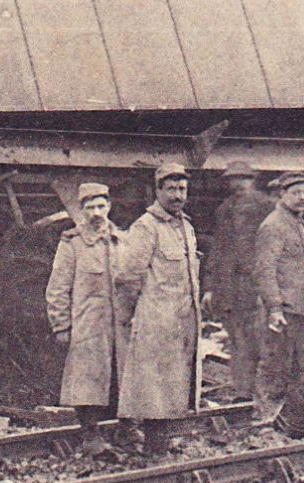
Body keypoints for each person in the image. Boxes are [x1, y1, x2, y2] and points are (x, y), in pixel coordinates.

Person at [114, 163, 202, 457]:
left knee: (174, 383)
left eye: (182, 189)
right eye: (172, 189)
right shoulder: (146, 227)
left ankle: (160, 442)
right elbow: (127, 276)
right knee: (153, 386)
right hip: (156, 319)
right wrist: (128, 317)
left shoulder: (186, 227)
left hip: (182, 320)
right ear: (158, 190)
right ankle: (154, 447)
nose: (178, 195)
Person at [45, 183, 124, 459]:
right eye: (90, 207)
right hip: (87, 325)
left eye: (101, 206)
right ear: (82, 210)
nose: (96, 213)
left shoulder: (122, 241)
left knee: (121, 377)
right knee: (87, 381)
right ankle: (91, 436)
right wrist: (61, 325)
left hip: (120, 327)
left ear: (109, 206)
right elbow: (57, 287)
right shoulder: (72, 244)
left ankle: (122, 433)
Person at [253, 172, 304, 437]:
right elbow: (264, 270)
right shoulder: (274, 225)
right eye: (296, 193)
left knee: (302, 364)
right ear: (282, 195)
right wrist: (274, 308)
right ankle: (264, 421)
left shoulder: (295, 223)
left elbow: (303, 271)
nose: (302, 198)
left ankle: (296, 414)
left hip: (297, 309)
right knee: (277, 365)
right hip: (283, 310)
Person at [203, 161, 273, 401]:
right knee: (238, 341)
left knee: (263, 341)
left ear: (253, 180)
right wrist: (210, 287)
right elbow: (217, 249)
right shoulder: (223, 211)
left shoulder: (268, 207)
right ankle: (243, 393)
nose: (239, 184)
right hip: (231, 288)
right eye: (234, 179)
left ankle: (265, 394)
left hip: (259, 286)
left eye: (244, 178)